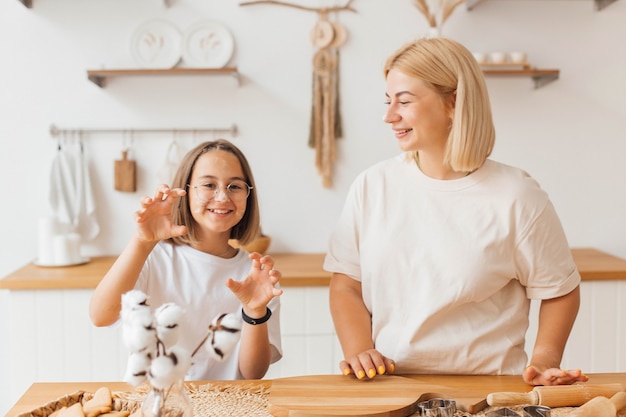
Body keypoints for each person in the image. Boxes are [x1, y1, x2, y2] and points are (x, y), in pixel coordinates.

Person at [325, 37, 588, 386]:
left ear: (453, 102)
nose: (389, 116)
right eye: (388, 101)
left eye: (404, 101)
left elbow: (560, 289)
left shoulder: (517, 196)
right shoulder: (372, 187)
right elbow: (346, 284)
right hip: (390, 387)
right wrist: (360, 350)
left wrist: (543, 359)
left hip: (489, 390)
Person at [90, 139, 282, 380]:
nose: (222, 196)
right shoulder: (153, 256)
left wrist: (255, 310)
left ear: (248, 195)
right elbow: (100, 316)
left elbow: (253, 373)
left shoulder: (255, 275)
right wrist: (142, 242)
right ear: (185, 191)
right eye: (209, 184)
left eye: (235, 186)